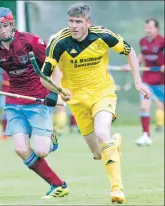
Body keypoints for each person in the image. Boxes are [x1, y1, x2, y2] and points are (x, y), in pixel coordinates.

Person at [39, 3, 151, 204]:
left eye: (78, 22)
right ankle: (114, 144)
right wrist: (59, 91)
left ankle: (117, 189)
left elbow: (130, 51)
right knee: (98, 154)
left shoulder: (103, 36)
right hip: (77, 102)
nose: (74, 26)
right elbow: (43, 78)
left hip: (103, 94)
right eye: (71, 21)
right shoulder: (58, 43)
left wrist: (138, 80)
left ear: (88, 22)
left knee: (102, 132)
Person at [0, 7, 69, 198]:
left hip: (38, 99)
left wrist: (54, 91)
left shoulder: (30, 41)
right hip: (14, 102)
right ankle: (57, 184)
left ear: (12, 24)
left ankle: (50, 138)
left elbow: (55, 67)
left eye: (5, 25)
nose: (2, 30)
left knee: (41, 151)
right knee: (21, 149)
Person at [134, 18, 164, 146]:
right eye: (146, 28)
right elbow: (141, 56)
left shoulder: (163, 41)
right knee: (144, 106)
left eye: (150, 28)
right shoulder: (143, 41)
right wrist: (132, 64)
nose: (147, 30)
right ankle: (146, 135)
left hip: (161, 82)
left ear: (156, 29)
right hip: (146, 81)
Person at [0, 68, 10, 141]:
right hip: (4, 94)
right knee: (3, 115)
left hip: (13, 94)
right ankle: (4, 134)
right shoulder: (1, 71)